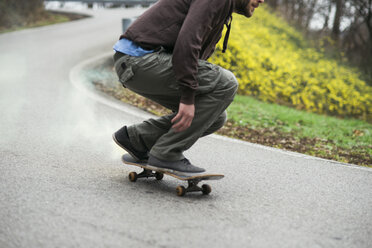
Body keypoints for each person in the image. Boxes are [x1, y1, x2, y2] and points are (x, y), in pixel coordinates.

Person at [112, 0, 265, 174]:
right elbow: (187, 43)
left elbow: (195, 57)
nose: (262, 1)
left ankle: (137, 139)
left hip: (136, 65)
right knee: (227, 82)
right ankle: (166, 153)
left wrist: (192, 96)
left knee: (214, 116)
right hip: (139, 60)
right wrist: (187, 96)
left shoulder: (222, 8)